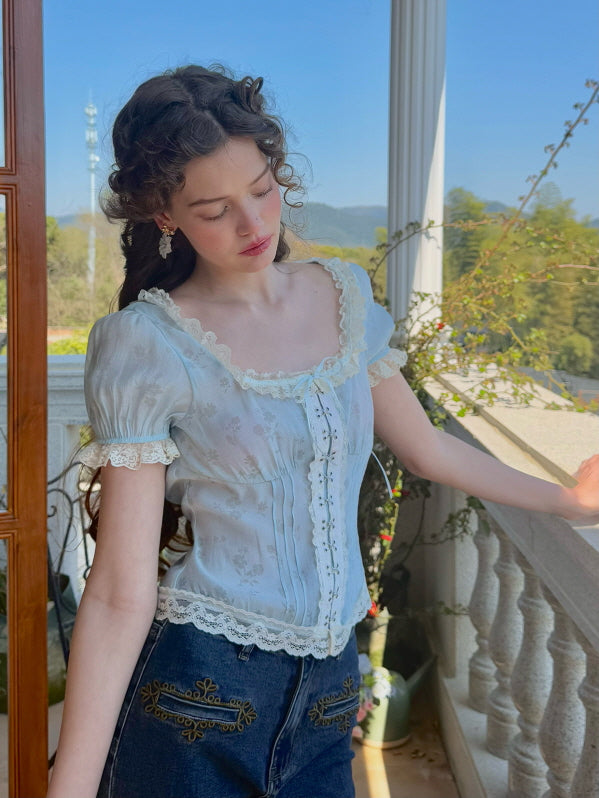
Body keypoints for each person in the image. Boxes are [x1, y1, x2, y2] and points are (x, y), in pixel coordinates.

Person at [47, 65, 599, 798]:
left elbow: (427, 448)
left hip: (333, 689)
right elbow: (119, 590)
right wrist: (70, 786)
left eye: (263, 189)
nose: (252, 225)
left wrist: (568, 502)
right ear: (165, 215)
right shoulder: (145, 344)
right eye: (213, 209)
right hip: (200, 694)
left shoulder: (341, 296)